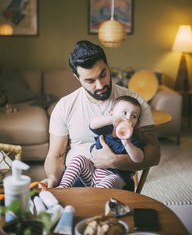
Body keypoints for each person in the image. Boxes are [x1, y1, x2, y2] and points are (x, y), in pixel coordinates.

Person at [42, 40, 160, 188]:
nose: (100, 85)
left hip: (116, 180)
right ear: (77, 78)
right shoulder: (65, 106)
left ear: (108, 66)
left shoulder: (134, 104)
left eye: (103, 74)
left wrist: (116, 161)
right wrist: (52, 179)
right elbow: (55, 156)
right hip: (78, 179)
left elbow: (154, 154)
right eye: (90, 80)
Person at [57, 95, 143, 190]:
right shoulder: (107, 129)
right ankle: (63, 188)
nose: (128, 118)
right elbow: (92, 124)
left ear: (136, 123)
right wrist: (112, 119)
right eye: (124, 113)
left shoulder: (132, 139)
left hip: (116, 177)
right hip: (93, 172)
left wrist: (127, 144)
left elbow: (139, 158)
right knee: (78, 159)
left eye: (134, 116)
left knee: (109, 182)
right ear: (111, 114)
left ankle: (94, 200)